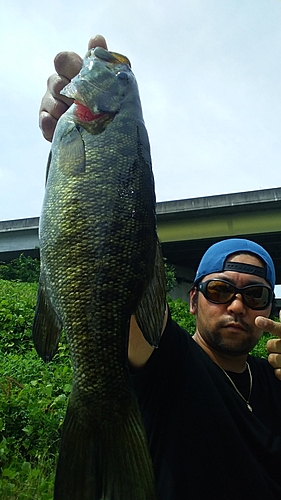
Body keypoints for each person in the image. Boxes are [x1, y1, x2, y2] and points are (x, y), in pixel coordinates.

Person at [39, 35, 281, 499]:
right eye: (218, 289)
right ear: (191, 300)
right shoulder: (167, 360)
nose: (235, 304)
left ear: (269, 308)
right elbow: (110, 287)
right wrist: (61, 142)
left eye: (255, 295)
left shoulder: (274, 382)